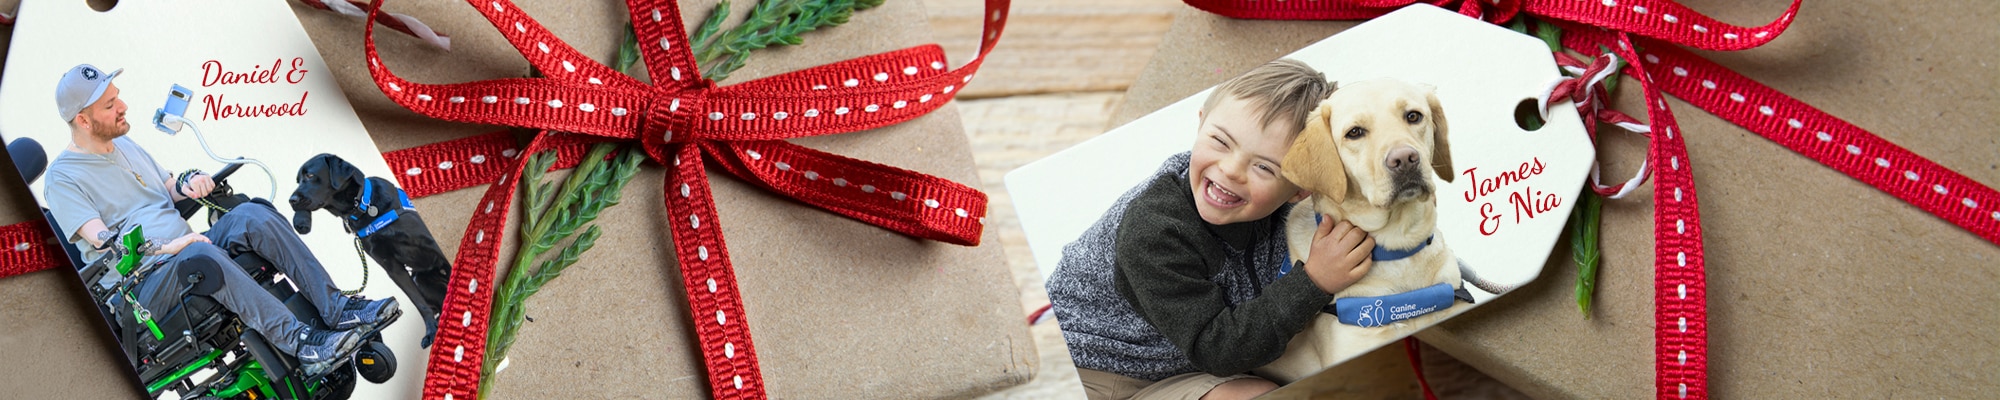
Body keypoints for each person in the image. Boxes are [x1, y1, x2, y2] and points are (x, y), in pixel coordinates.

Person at [1046, 59, 1375, 400]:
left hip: (1174, 371)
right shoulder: (1155, 230)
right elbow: (1217, 348)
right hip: (1088, 370)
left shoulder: (1284, 210)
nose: (1231, 169)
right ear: (1201, 123)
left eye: (1264, 167)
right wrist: (1315, 281)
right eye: (1220, 141)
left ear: (1300, 189)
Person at [42, 64, 398, 376]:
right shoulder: (62, 178)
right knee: (200, 257)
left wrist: (189, 182)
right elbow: (107, 242)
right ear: (83, 121)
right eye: (110, 105)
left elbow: (166, 187)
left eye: (117, 97)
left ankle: (336, 309)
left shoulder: (125, 143)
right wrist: (171, 246)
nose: (123, 107)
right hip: (141, 290)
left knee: (253, 215)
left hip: (185, 253)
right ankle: (301, 343)